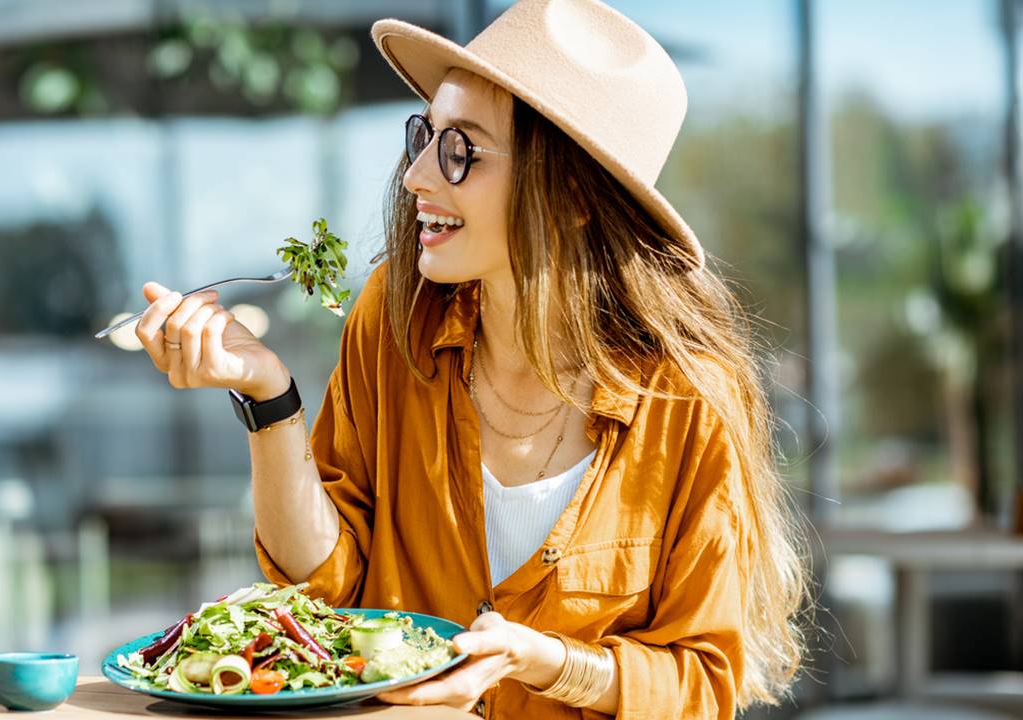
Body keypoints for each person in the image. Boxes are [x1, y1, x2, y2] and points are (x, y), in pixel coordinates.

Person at [134, 1, 811, 718]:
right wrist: (270, 396)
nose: (417, 176)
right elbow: (325, 581)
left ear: (575, 195)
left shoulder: (688, 398)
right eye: (423, 136)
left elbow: (703, 686)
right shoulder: (393, 320)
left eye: (463, 151)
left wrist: (547, 662)